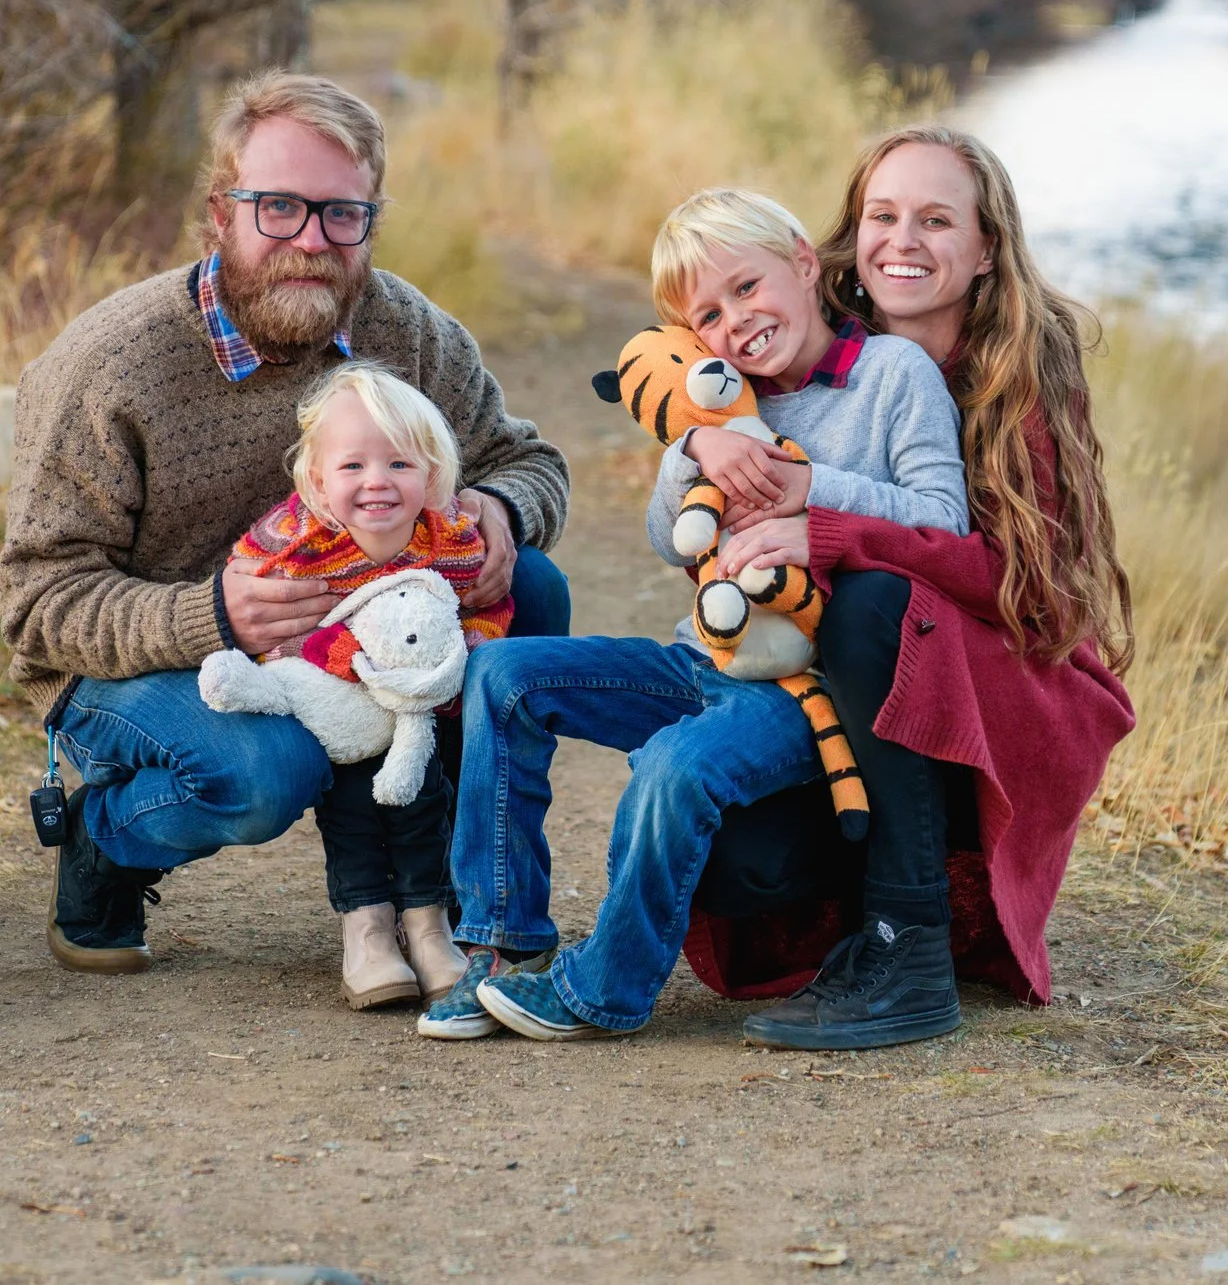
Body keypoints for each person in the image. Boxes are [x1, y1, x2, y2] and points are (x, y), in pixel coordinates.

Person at [0, 72, 571, 975]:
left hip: (355, 626)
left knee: (531, 586)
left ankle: (454, 881)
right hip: (142, 662)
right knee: (271, 771)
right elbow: (36, 607)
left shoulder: (407, 331)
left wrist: (501, 509)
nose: (312, 240)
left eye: (342, 214)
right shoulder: (110, 365)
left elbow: (527, 461)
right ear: (220, 212)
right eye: (280, 209)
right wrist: (212, 615)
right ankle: (105, 837)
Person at [419, 189, 968, 1041]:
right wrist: (694, 445)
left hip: (802, 689)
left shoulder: (894, 375)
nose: (736, 322)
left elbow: (943, 520)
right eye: (707, 314)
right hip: (699, 662)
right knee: (503, 672)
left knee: (676, 766)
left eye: (748, 287)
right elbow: (667, 540)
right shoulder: (722, 398)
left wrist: (810, 496)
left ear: (800, 258)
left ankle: (606, 987)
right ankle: (500, 942)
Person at [699, 126, 1138, 1050]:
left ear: (985, 252)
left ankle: (910, 950)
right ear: (851, 235)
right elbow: (672, 358)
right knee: (745, 873)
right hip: (832, 687)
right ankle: (856, 927)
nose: (903, 240)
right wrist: (704, 440)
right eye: (883, 215)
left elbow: (1033, 594)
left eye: (937, 221)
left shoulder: (1016, 375)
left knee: (877, 600)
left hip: (1002, 681)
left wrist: (831, 528)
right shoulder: (797, 340)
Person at [217, 363, 512, 1010]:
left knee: (422, 803)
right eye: (352, 467)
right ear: (318, 482)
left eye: (400, 465)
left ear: (433, 475)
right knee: (352, 809)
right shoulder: (298, 541)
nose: (376, 481)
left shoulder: (450, 543)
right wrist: (311, 660)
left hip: (412, 709)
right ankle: (368, 925)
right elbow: (246, 591)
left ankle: (428, 923)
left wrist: (475, 647)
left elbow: (479, 606)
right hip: (335, 705)